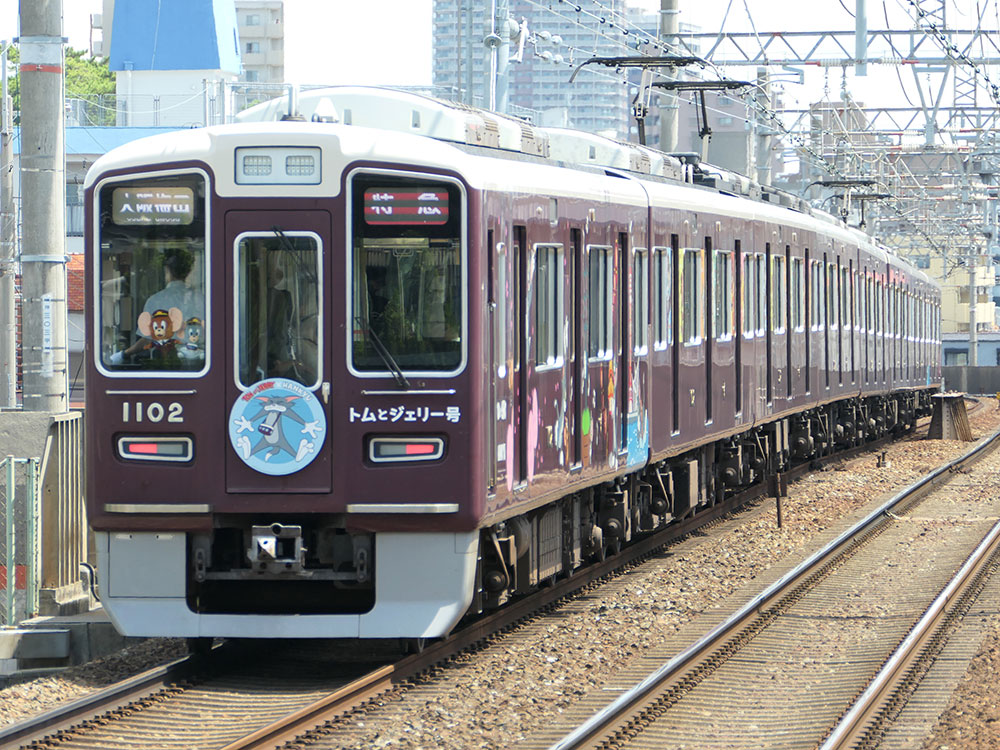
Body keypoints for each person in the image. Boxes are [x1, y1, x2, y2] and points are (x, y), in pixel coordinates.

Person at [111, 248, 205, 366]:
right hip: (198, 363)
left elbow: (147, 339)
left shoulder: (156, 300)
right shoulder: (200, 299)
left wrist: (124, 354)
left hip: (163, 364)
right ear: (188, 272)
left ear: (167, 271)